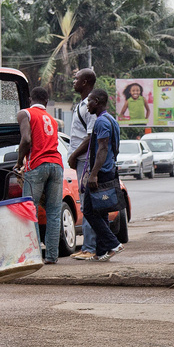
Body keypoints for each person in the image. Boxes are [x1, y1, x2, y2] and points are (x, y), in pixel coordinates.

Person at [69, 88, 122, 262]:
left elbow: (103, 149)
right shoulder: (111, 120)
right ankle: (102, 251)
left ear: (97, 101)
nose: (87, 105)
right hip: (108, 170)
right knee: (101, 211)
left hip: (102, 172)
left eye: (90, 101)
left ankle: (113, 243)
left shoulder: (101, 122)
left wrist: (93, 174)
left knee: (89, 210)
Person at [16, 86, 63, 263]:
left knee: (30, 210)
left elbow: (26, 140)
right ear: (46, 101)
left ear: (30, 100)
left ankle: (34, 255)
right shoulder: (52, 119)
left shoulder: (25, 113)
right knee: (53, 212)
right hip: (57, 166)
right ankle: (52, 256)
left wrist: (20, 161)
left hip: (37, 165)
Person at [67, 68, 97, 260]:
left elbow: (90, 136)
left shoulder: (90, 106)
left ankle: (90, 247)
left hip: (85, 161)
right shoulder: (82, 104)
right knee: (86, 203)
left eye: (76, 79)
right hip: (81, 160)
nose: (74, 82)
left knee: (87, 204)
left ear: (85, 82)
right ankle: (89, 246)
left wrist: (73, 155)